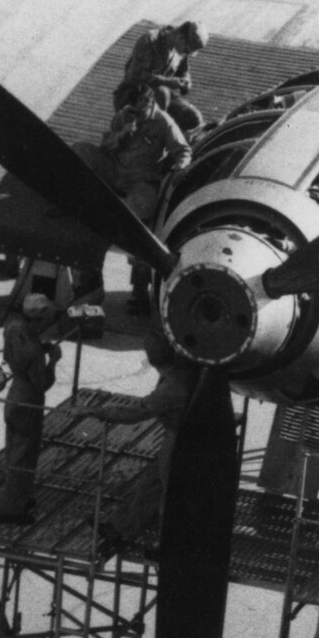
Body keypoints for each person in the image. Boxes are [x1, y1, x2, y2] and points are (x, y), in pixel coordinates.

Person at [95, 330, 201, 556]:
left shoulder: (172, 387)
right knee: (152, 485)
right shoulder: (181, 371)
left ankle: (168, 548)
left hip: (179, 439)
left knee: (170, 495)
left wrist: (99, 412)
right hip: (179, 437)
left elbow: (135, 412)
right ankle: (121, 528)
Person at [101, 85, 193, 314]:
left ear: (150, 103)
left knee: (139, 232)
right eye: (134, 108)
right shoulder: (124, 116)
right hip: (116, 177)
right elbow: (105, 144)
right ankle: (88, 284)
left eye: (142, 107)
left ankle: (139, 292)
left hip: (142, 184)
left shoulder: (163, 122)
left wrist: (179, 169)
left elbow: (183, 151)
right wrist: (123, 133)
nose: (138, 112)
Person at [0, 293, 62, 525]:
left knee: (14, 450)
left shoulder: (14, 328)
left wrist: (40, 347)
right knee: (24, 456)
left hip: (14, 394)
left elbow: (15, 352)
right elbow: (42, 383)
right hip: (28, 399)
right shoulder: (33, 350)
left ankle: (16, 498)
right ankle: (13, 509)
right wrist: (52, 362)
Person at [113, 20, 207, 133]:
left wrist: (186, 82)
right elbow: (137, 76)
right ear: (180, 37)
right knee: (162, 95)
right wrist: (168, 82)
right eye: (186, 50)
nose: (185, 54)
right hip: (133, 96)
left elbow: (184, 71)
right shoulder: (150, 40)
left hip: (162, 98)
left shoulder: (180, 50)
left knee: (193, 118)